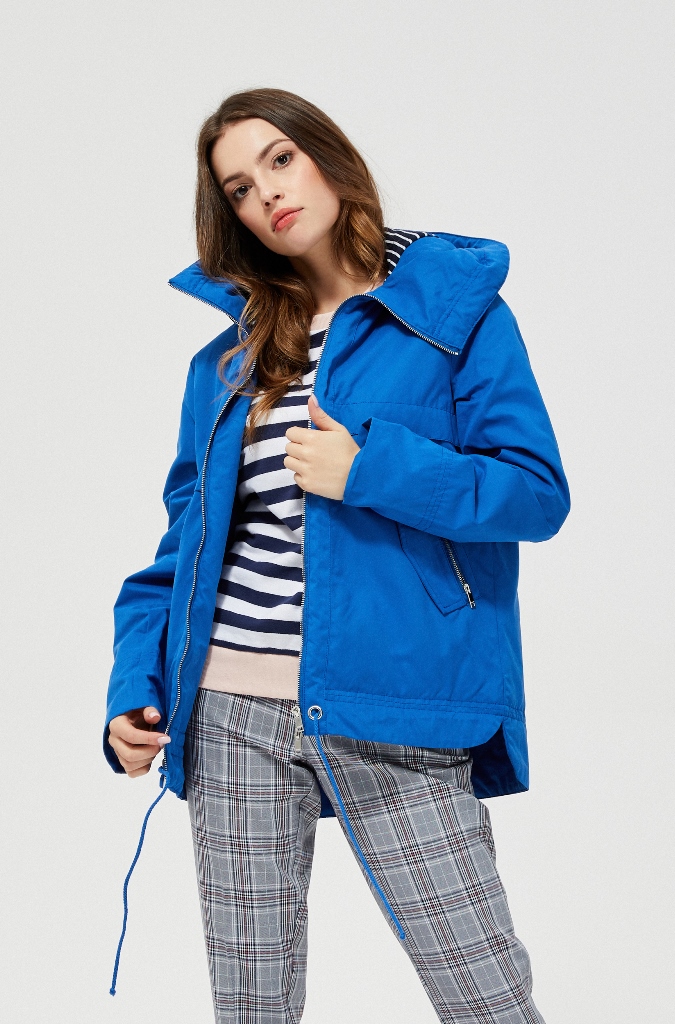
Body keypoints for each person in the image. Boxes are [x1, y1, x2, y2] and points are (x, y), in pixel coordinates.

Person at [104, 87, 570, 1024]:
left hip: (398, 704)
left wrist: (371, 470)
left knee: (488, 1001)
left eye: (279, 159)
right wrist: (134, 686)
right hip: (228, 714)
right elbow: (182, 544)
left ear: (328, 156)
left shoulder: (454, 316)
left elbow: (533, 492)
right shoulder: (226, 363)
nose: (267, 194)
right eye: (239, 188)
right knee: (252, 1008)